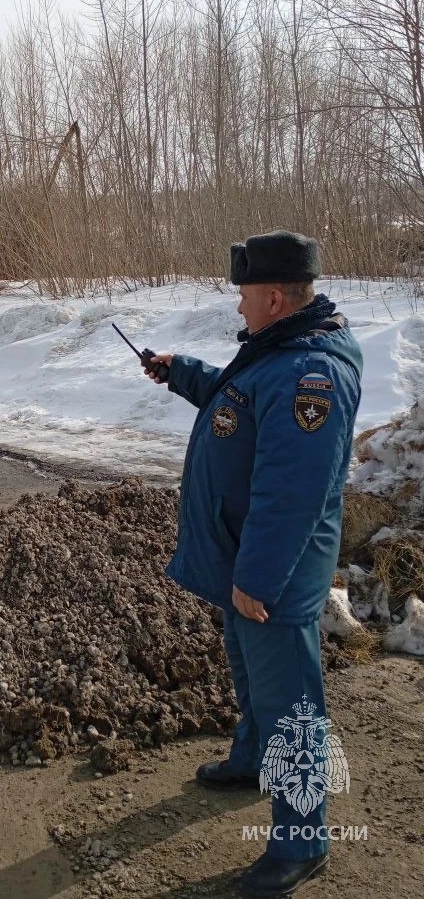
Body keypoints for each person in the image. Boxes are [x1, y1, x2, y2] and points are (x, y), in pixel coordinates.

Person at [146, 231, 362, 897]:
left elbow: (291, 496)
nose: (237, 308)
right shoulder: (281, 350)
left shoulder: (311, 374)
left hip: (274, 569)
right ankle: (250, 758)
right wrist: (182, 371)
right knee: (248, 667)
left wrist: (258, 580)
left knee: (290, 699)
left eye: (243, 297)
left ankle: (304, 841)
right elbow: (241, 403)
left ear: (272, 297)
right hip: (248, 560)